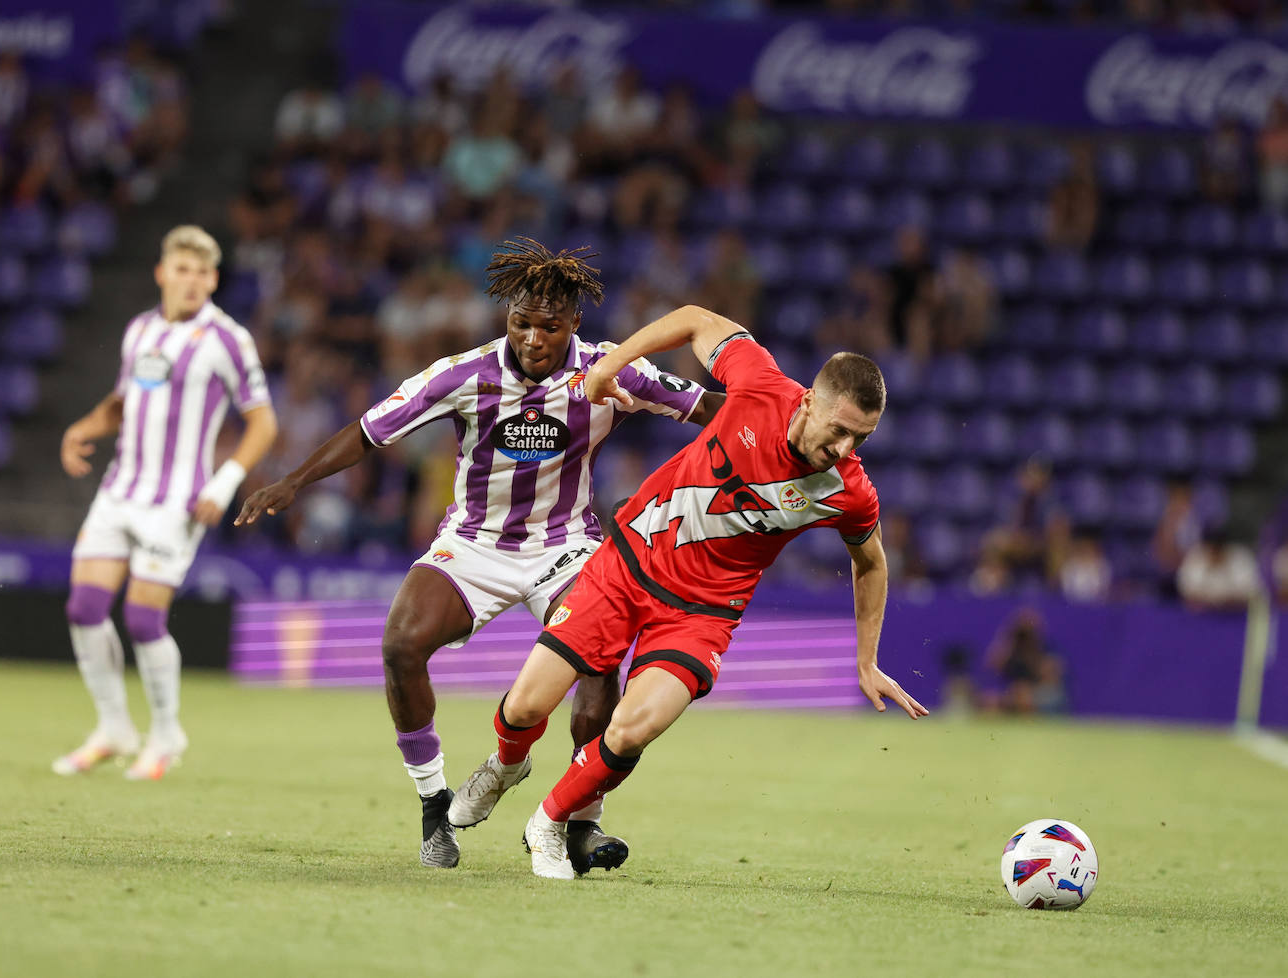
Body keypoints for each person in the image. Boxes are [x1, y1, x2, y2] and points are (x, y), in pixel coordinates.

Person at [235, 238, 724, 872]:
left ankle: (581, 822)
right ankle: (434, 807)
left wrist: (778, 424)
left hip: (567, 547)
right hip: (473, 543)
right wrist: (294, 481)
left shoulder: (612, 370)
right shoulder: (463, 374)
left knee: (599, 662)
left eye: (549, 326)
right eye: (521, 323)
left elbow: (710, 408)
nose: (532, 339)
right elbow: (367, 431)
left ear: (574, 323)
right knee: (401, 643)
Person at [446, 304, 927, 880]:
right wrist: (611, 367)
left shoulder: (848, 491)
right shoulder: (759, 383)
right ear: (807, 402)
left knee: (633, 727)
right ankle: (505, 764)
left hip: (702, 615)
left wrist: (866, 659)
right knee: (525, 707)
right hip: (625, 566)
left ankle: (547, 823)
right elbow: (696, 319)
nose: (846, 448)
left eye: (862, 438)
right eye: (840, 429)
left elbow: (871, 564)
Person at [53, 226, 278, 780]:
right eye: (182, 269)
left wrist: (224, 483)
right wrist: (85, 426)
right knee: (83, 608)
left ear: (214, 280)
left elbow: (263, 421)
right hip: (120, 488)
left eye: (202, 273)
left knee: (143, 615)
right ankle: (113, 728)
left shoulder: (227, 339)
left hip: (178, 500)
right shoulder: (140, 331)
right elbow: (124, 401)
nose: (192, 280)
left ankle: (165, 732)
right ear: (162, 273)